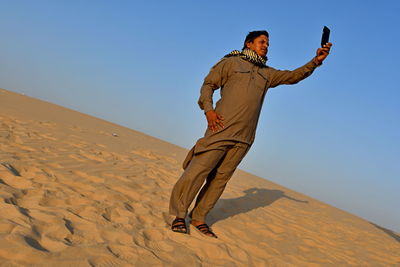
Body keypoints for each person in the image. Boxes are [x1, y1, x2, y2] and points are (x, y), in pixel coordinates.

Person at [169, 30, 332, 238]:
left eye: (268, 43)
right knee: (197, 172)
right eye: (262, 42)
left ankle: (199, 217)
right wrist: (208, 111)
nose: (266, 46)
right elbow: (208, 85)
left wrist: (315, 61)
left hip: (244, 137)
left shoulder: (267, 73)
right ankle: (179, 215)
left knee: (220, 179)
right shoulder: (231, 62)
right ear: (249, 43)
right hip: (220, 128)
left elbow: (292, 77)